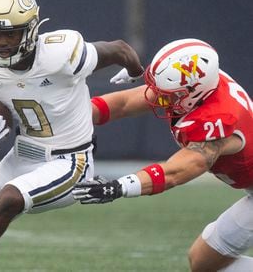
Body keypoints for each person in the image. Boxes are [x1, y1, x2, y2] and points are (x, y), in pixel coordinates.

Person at [0, 0, 144, 271]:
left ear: (31, 30)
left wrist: (135, 72)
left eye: (11, 34)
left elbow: (120, 48)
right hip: (23, 154)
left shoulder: (63, 53)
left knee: (11, 198)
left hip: (70, 161)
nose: (0, 42)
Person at [72, 38, 253, 272]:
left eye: (167, 93)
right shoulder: (199, 86)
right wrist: (69, 121)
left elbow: (175, 172)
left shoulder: (218, 120)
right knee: (203, 262)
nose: (158, 97)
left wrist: (117, 187)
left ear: (192, 92)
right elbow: (125, 103)